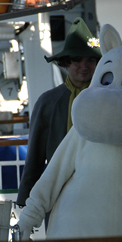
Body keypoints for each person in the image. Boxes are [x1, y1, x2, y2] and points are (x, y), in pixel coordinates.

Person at [17, 17, 101, 206]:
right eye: (77, 60)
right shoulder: (48, 102)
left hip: (101, 187)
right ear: (65, 63)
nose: (84, 66)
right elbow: (35, 156)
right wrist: (25, 199)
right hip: (58, 191)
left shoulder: (107, 98)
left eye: (91, 60)